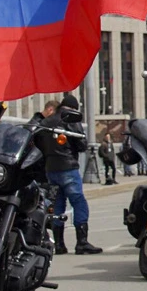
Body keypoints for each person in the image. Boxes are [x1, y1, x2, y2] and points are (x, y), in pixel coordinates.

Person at [41, 94, 103, 254]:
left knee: (57, 205)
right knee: (78, 201)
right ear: (74, 108)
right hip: (68, 167)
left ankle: (59, 244)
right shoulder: (71, 119)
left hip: (51, 168)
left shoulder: (47, 121)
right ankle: (81, 242)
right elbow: (81, 144)